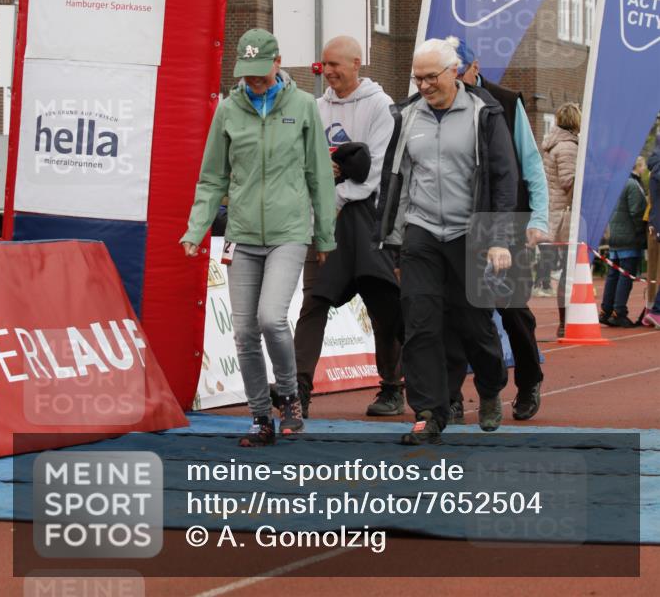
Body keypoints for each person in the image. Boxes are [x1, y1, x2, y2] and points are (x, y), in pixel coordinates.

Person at [181, 28, 336, 447]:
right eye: (246, 75)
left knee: (272, 318)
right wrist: (197, 228)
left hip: (289, 232)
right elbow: (213, 177)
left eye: (260, 75)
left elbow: (319, 177)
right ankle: (259, 417)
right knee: (245, 332)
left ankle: (288, 395)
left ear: (277, 62)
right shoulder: (228, 111)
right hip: (243, 233)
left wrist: (324, 236)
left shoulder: (303, 107)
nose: (253, 82)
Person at [377, 37, 518, 444]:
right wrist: (394, 238)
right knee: (419, 323)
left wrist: (498, 238)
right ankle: (429, 413)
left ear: (453, 72)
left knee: (473, 324)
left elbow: (504, 179)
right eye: (417, 78)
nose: (422, 85)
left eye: (430, 77)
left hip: (470, 234)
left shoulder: (483, 114)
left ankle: (490, 388)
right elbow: (396, 179)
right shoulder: (407, 117)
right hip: (422, 231)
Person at [289, 35, 403, 418]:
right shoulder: (315, 108)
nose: (329, 72)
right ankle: (297, 390)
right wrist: (325, 188)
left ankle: (392, 387)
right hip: (324, 220)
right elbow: (306, 163)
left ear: (357, 64)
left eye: (336, 64)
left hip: (366, 219)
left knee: (384, 303)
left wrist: (334, 193)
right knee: (315, 301)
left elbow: (375, 172)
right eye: (324, 64)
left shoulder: (380, 107)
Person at [448, 38, 549, 422]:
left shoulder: (506, 103)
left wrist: (538, 219)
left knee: (512, 310)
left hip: (506, 222)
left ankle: (529, 381)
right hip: (456, 222)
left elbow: (531, 164)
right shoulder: (433, 105)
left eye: (458, 73)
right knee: (456, 312)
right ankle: (452, 394)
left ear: (473, 68)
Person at [541, 102, 581, 339]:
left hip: (555, 211)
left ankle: (565, 320)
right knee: (570, 271)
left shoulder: (551, 144)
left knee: (566, 270)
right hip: (566, 214)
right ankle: (566, 321)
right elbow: (569, 181)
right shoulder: (567, 147)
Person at [599, 156, 647, 328]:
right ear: (637, 166)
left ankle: (606, 309)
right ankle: (619, 312)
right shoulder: (632, 185)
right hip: (629, 236)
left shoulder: (614, 183)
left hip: (615, 236)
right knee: (625, 275)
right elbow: (637, 212)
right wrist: (641, 233)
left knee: (613, 274)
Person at [642, 133, 660, 327]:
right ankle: (655, 311)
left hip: (652, 220)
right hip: (656, 221)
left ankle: (650, 307)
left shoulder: (653, 166)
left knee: (653, 270)